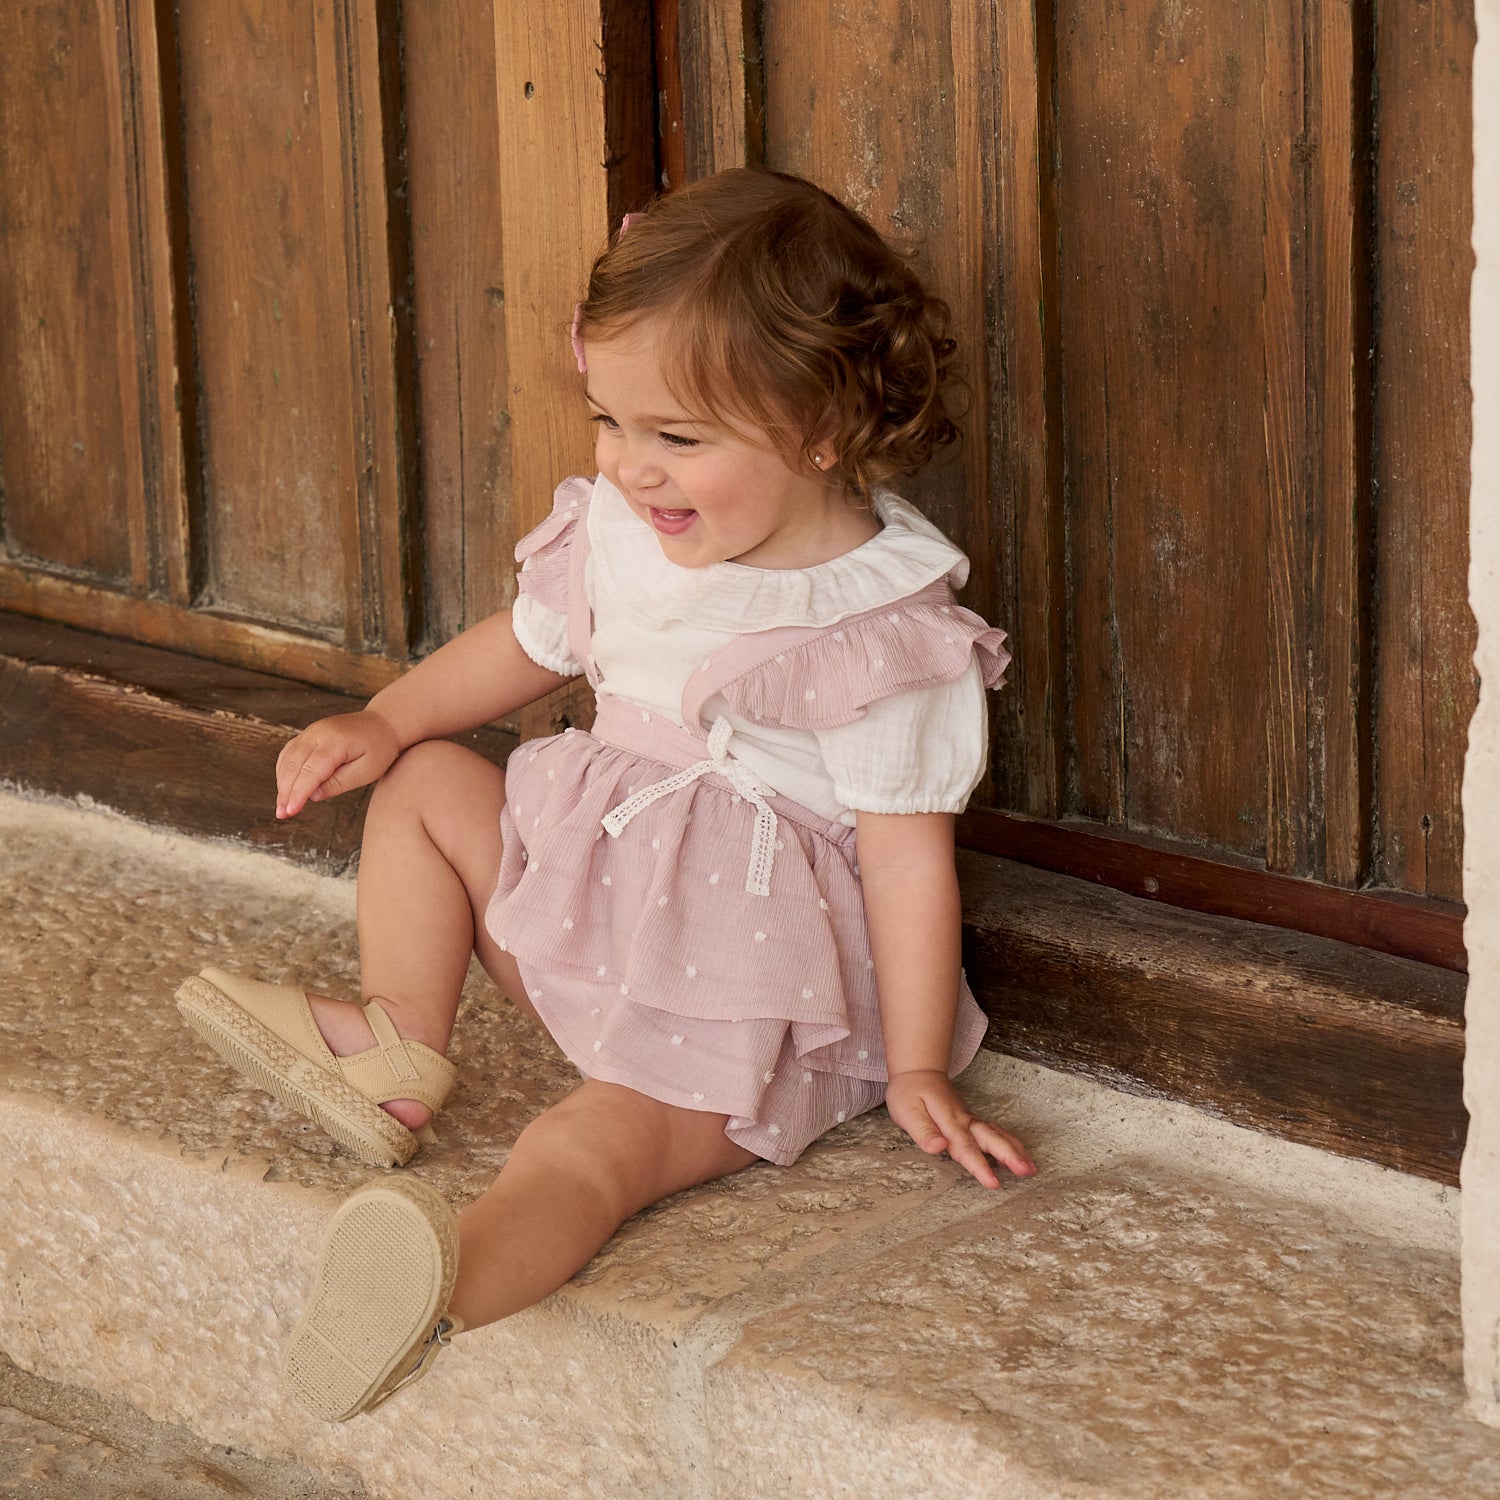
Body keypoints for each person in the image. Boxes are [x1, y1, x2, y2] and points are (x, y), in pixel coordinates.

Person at [175, 167, 1036, 1423]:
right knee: (424, 785)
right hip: (591, 917)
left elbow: (909, 863)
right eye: (611, 422)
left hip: (743, 1007)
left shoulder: (881, 630)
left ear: (822, 430)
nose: (633, 469)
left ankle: (443, 1283)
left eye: (678, 437)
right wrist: (389, 714)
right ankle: (394, 1047)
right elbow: (530, 643)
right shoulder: (634, 532)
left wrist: (914, 1067)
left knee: (589, 1145)